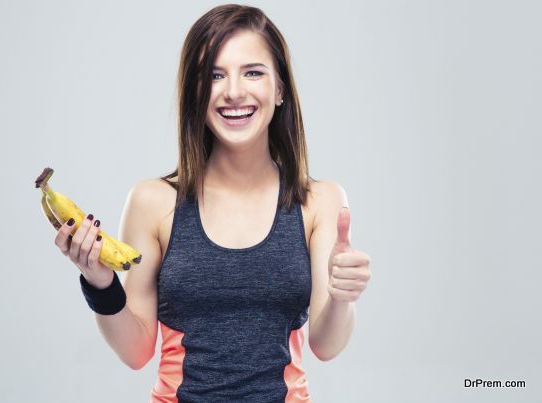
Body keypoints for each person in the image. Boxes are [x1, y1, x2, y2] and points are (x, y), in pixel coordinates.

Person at [54, 4, 372, 402]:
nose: (234, 91)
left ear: (280, 89)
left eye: (253, 72)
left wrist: (343, 297)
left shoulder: (320, 201)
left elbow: (326, 345)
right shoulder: (153, 202)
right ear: (195, 92)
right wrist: (99, 284)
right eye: (214, 75)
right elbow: (136, 353)